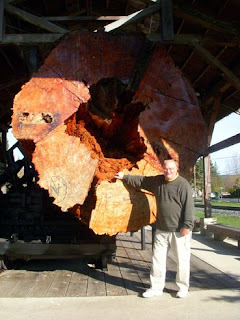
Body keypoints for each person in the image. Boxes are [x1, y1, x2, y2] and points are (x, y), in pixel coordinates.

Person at [115, 159, 194, 298]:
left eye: (171, 169)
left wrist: (187, 226)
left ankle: (182, 288)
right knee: (157, 260)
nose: (168, 171)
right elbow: (142, 181)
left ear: (177, 169)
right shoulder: (158, 181)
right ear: (163, 169)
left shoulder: (183, 184)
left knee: (182, 260)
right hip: (162, 229)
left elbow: (189, 207)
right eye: (166, 169)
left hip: (179, 231)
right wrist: (124, 177)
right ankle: (156, 288)